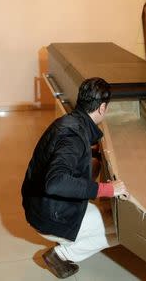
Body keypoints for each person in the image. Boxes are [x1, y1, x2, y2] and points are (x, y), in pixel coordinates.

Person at [21, 77, 128, 279]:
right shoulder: (72, 137)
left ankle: (68, 237)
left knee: (93, 167)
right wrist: (108, 189)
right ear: (103, 108)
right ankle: (60, 254)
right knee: (123, 226)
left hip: (36, 204)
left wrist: (95, 155)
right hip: (47, 215)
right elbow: (56, 182)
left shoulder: (68, 122)